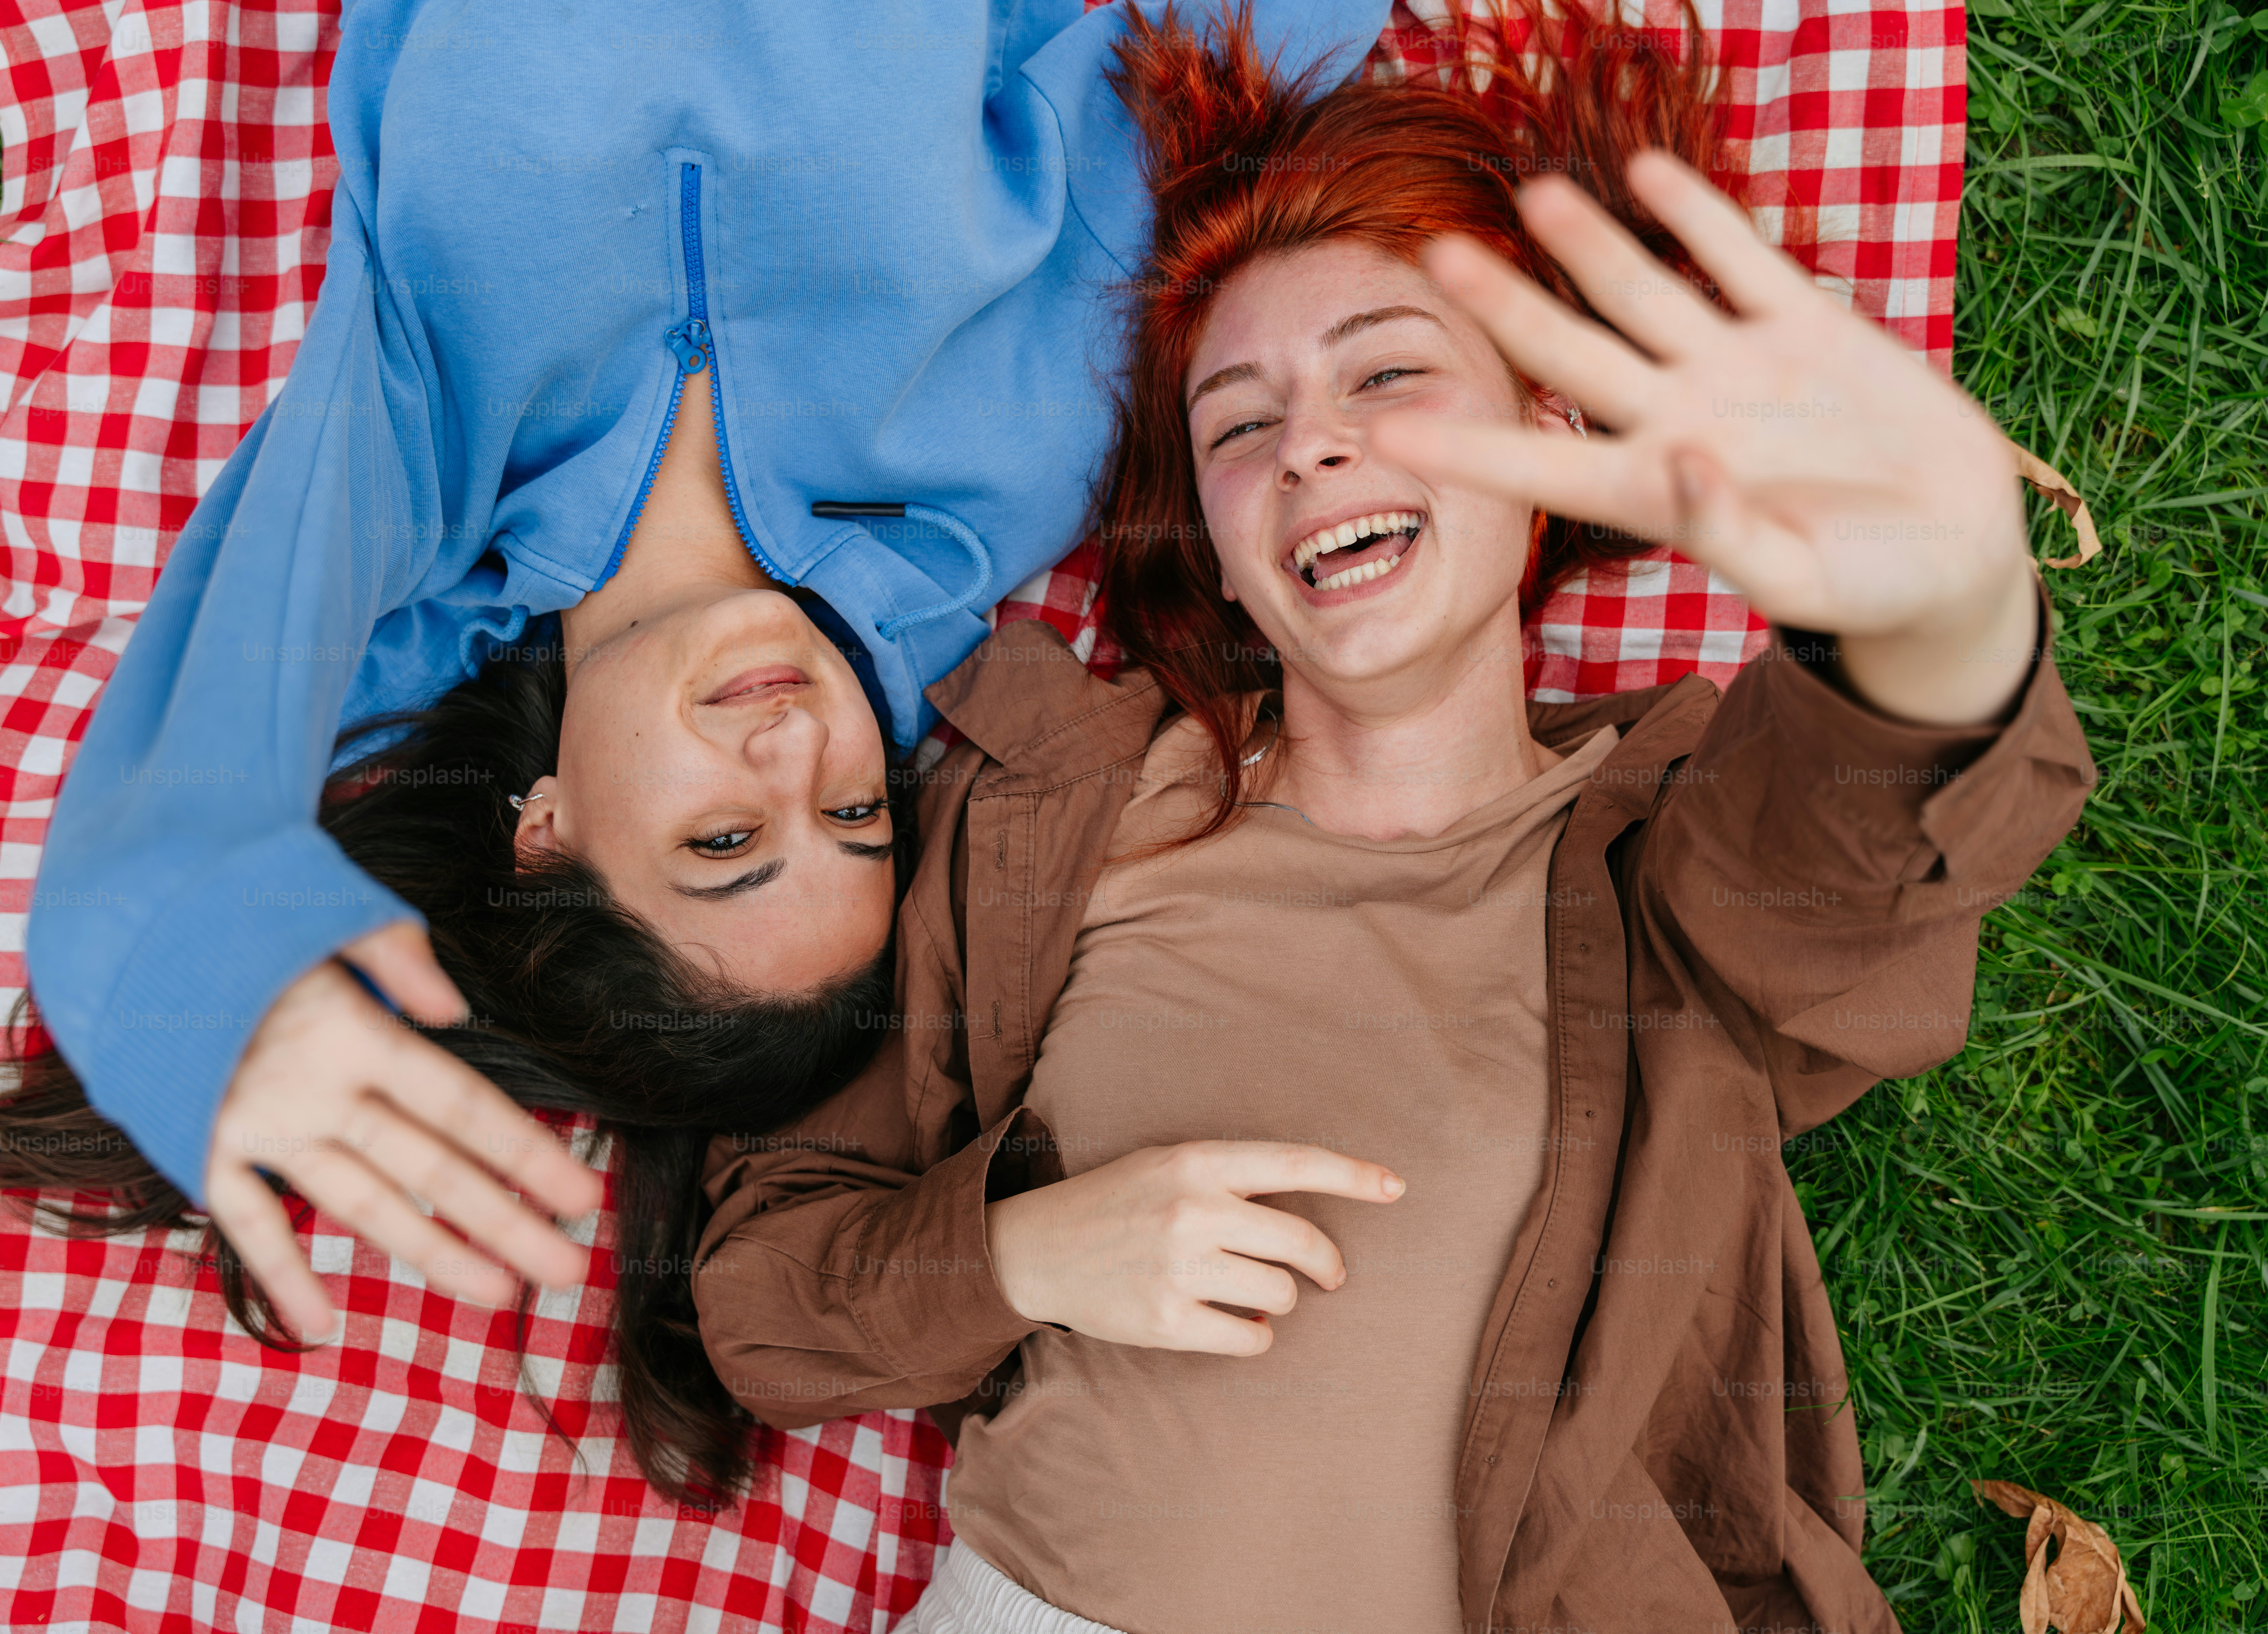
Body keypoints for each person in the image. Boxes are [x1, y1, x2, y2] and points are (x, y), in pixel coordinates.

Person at [690, 2, 2097, 1626]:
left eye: (1389, 373)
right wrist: (1023, 1252)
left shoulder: (1667, 856)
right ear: (1214, 543)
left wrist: (1930, 610)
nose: (1315, 447)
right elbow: (762, 1299)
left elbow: (1861, 851)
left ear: (1549, 437)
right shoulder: (1051, 811)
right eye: (1242, 424)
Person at [0, 0, 1401, 1500]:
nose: (796, 747)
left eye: (725, 841)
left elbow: (212, 717)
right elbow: (1195, 67)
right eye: (852, 812)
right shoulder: (989, 487)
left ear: (542, 828)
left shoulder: (421, 483)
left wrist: (194, 976)